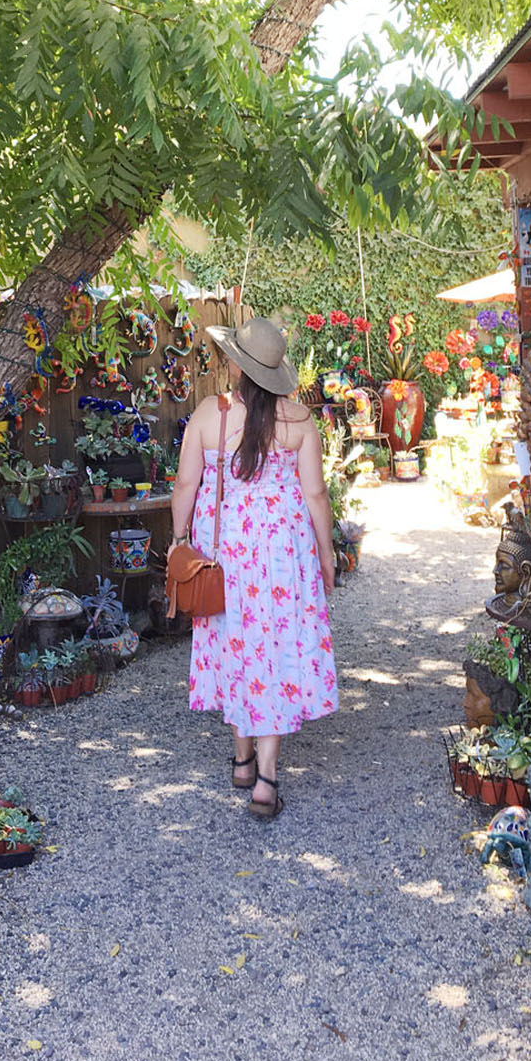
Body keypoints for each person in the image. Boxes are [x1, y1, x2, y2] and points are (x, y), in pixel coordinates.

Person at [171, 315, 338, 820]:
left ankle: (244, 760)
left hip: (226, 552)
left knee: (234, 640)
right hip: (284, 556)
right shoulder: (300, 421)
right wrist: (327, 552)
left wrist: (179, 540)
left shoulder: (209, 414)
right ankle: (263, 776)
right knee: (275, 649)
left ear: (236, 365)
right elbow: (315, 493)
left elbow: (185, 486)